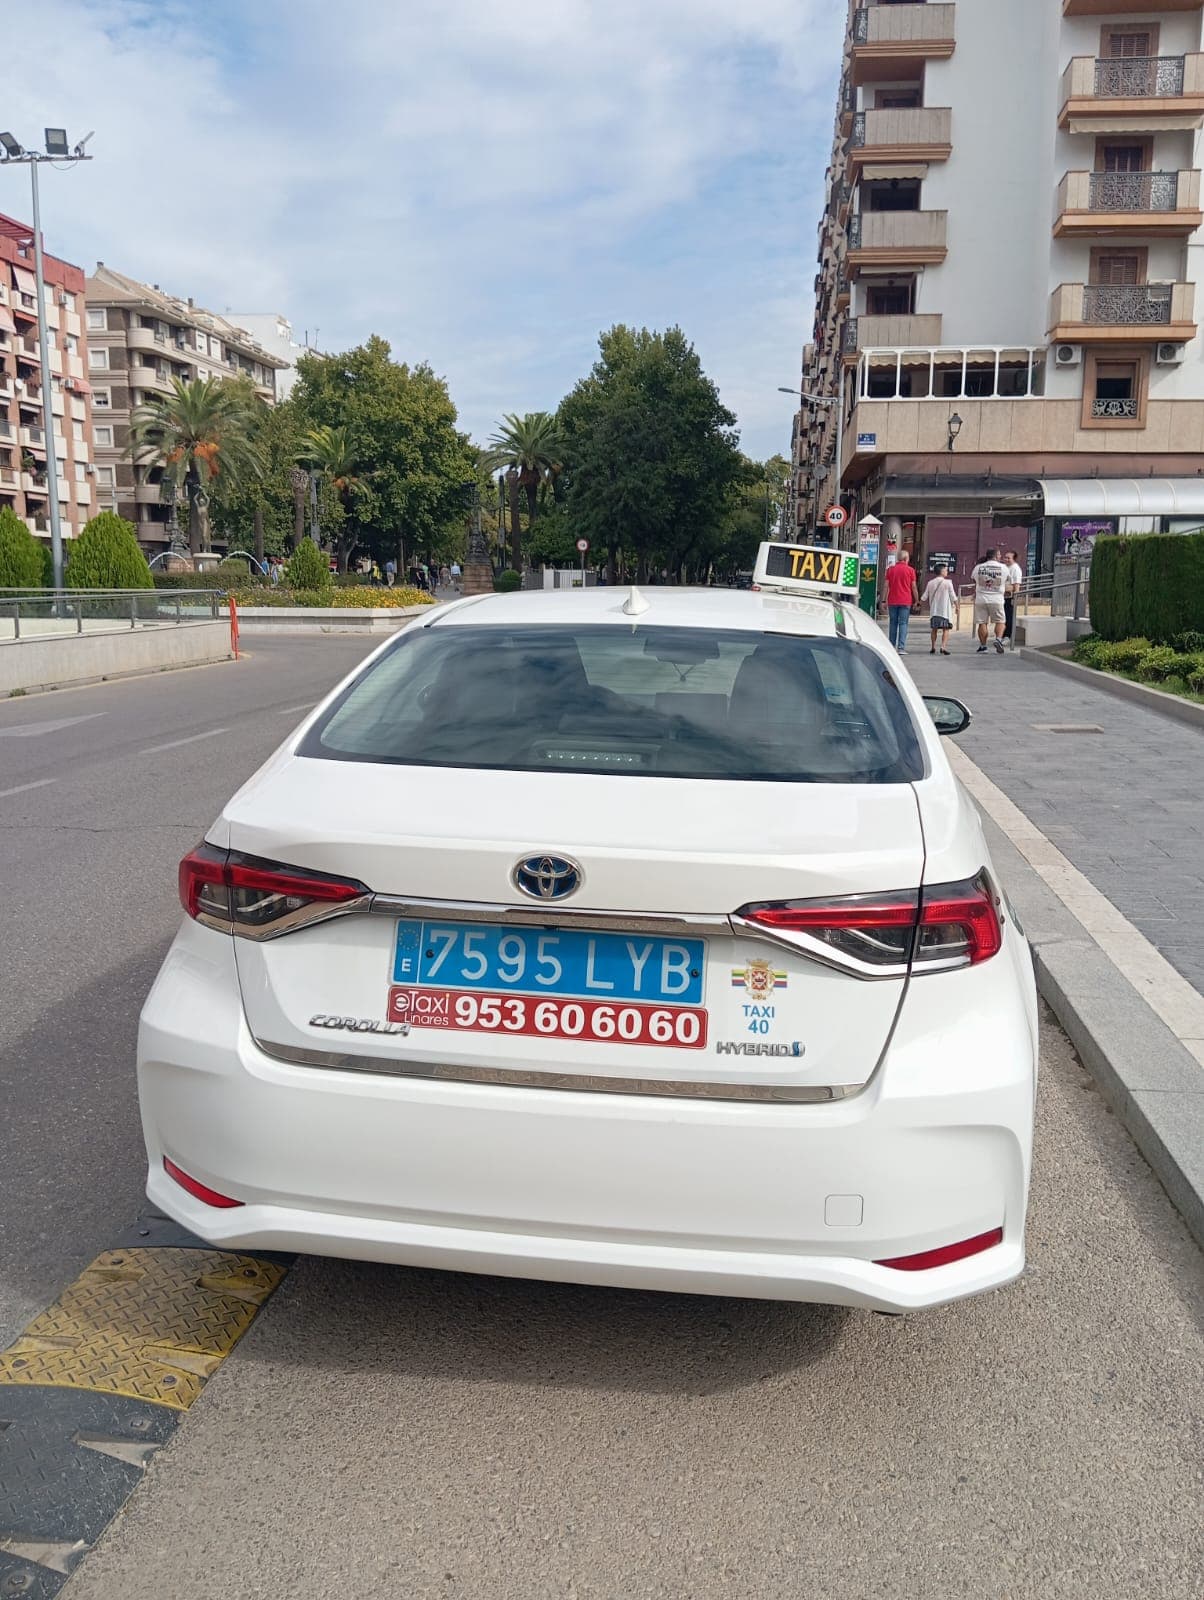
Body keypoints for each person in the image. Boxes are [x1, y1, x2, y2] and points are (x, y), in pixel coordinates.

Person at [970, 547, 1010, 655]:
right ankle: (998, 639)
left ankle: (983, 646)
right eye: (1000, 555)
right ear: (996, 556)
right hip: (997, 599)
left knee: (982, 623)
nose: (1001, 557)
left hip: (981, 598)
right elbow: (1007, 580)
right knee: (1000, 621)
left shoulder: (978, 567)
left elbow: (974, 579)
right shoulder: (1003, 568)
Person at [884, 547, 919, 653]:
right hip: (905, 600)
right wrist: (916, 600)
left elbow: (886, 586)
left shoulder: (890, 570)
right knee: (903, 623)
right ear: (906, 558)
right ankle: (901, 647)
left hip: (892, 600)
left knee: (893, 623)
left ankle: (891, 646)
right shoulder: (911, 570)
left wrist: (883, 600)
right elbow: (913, 587)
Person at [922, 564, 958, 656]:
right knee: (946, 629)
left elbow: (924, 596)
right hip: (945, 612)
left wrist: (918, 603)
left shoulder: (930, 583)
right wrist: (957, 607)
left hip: (934, 611)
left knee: (934, 629)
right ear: (941, 572)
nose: (947, 572)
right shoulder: (948, 583)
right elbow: (953, 596)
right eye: (946, 570)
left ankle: (933, 647)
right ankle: (943, 647)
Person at [1003, 549, 1024, 645]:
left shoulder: (1015, 569)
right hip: (1002, 596)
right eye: (1005, 557)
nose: (1006, 559)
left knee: (1008, 616)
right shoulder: (1004, 567)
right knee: (1002, 617)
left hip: (1009, 597)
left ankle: (1007, 636)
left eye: (1008, 558)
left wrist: (1015, 597)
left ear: (1014, 559)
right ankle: (1002, 635)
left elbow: (1016, 584)